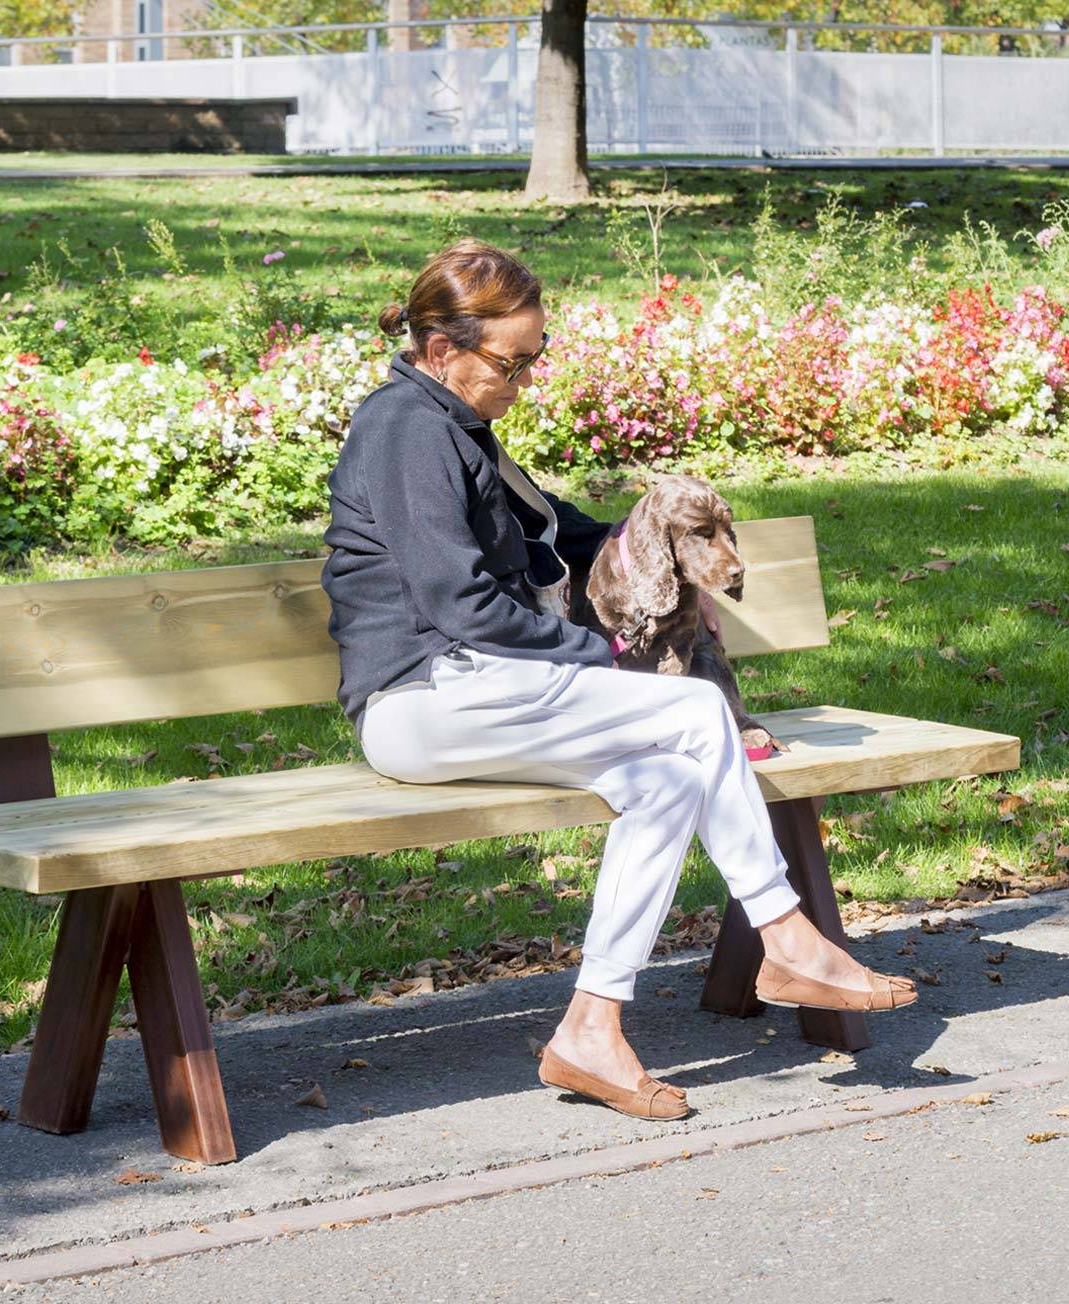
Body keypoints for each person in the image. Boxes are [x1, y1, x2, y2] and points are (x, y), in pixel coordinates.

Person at [320, 239, 915, 1121]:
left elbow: (561, 527)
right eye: (511, 363)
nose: (524, 380)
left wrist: (657, 558)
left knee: (669, 780)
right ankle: (787, 938)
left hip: (484, 693)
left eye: (535, 358)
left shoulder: (460, 426)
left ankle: (590, 1032)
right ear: (443, 348)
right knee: (694, 710)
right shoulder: (407, 429)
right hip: (426, 697)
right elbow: (459, 605)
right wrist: (609, 651)